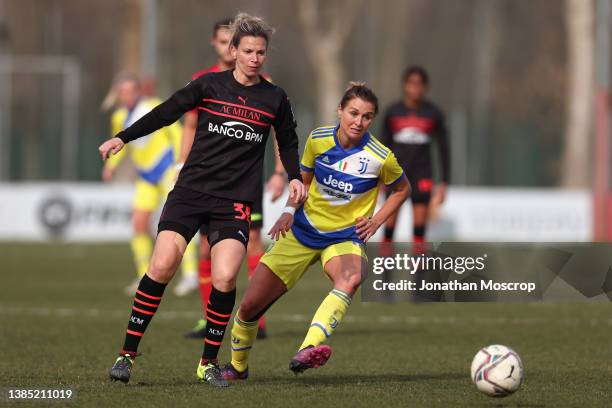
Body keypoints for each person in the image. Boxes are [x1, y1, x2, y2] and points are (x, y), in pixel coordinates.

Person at [100, 13, 306, 387]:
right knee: (162, 265)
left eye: (261, 52)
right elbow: (165, 112)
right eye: (248, 51)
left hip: (236, 200)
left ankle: (208, 362)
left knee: (226, 276)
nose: (256, 58)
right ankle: (126, 355)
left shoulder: (275, 97)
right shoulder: (208, 85)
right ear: (234, 51)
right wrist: (123, 138)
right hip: (191, 192)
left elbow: (288, 140)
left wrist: (293, 176)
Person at [218, 83, 410, 381]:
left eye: (367, 116)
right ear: (340, 111)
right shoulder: (318, 139)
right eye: (354, 113)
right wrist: (287, 212)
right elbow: (302, 182)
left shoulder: (380, 156)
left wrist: (376, 221)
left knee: (352, 276)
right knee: (249, 306)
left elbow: (402, 189)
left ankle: (308, 348)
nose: (359, 122)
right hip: (302, 232)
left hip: (344, 237)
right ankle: (237, 367)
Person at [180, 18, 285, 340]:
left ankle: (256, 318)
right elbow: (189, 126)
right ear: (219, 45)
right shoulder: (203, 81)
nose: (231, 48)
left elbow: (283, 133)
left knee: (253, 244)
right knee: (205, 248)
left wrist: (281, 172)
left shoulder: (264, 84)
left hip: (243, 183)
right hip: (204, 182)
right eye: (225, 41)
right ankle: (207, 318)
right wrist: (181, 166)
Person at [102, 73, 198, 296]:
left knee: (179, 222)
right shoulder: (118, 116)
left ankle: (191, 275)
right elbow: (120, 143)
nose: (125, 96)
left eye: (129, 91)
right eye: (121, 92)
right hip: (146, 176)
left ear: (138, 91)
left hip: (166, 170)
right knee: (138, 223)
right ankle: (144, 275)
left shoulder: (152, 106)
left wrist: (180, 164)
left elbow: (176, 132)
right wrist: (111, 166)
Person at [380, 66, 449, 247]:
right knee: (389, 228)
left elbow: (444, 149)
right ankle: (385, 274)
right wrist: (378, 178)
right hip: (395, 175)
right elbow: (382, 147)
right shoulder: (393, 112)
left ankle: (418, 274)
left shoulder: (434, 114)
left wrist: (444, 183)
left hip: (422, 175)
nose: (415, 88)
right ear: (404, 85)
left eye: (419, 84)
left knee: (419, 230)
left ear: (425, 87)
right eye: (411, 84)